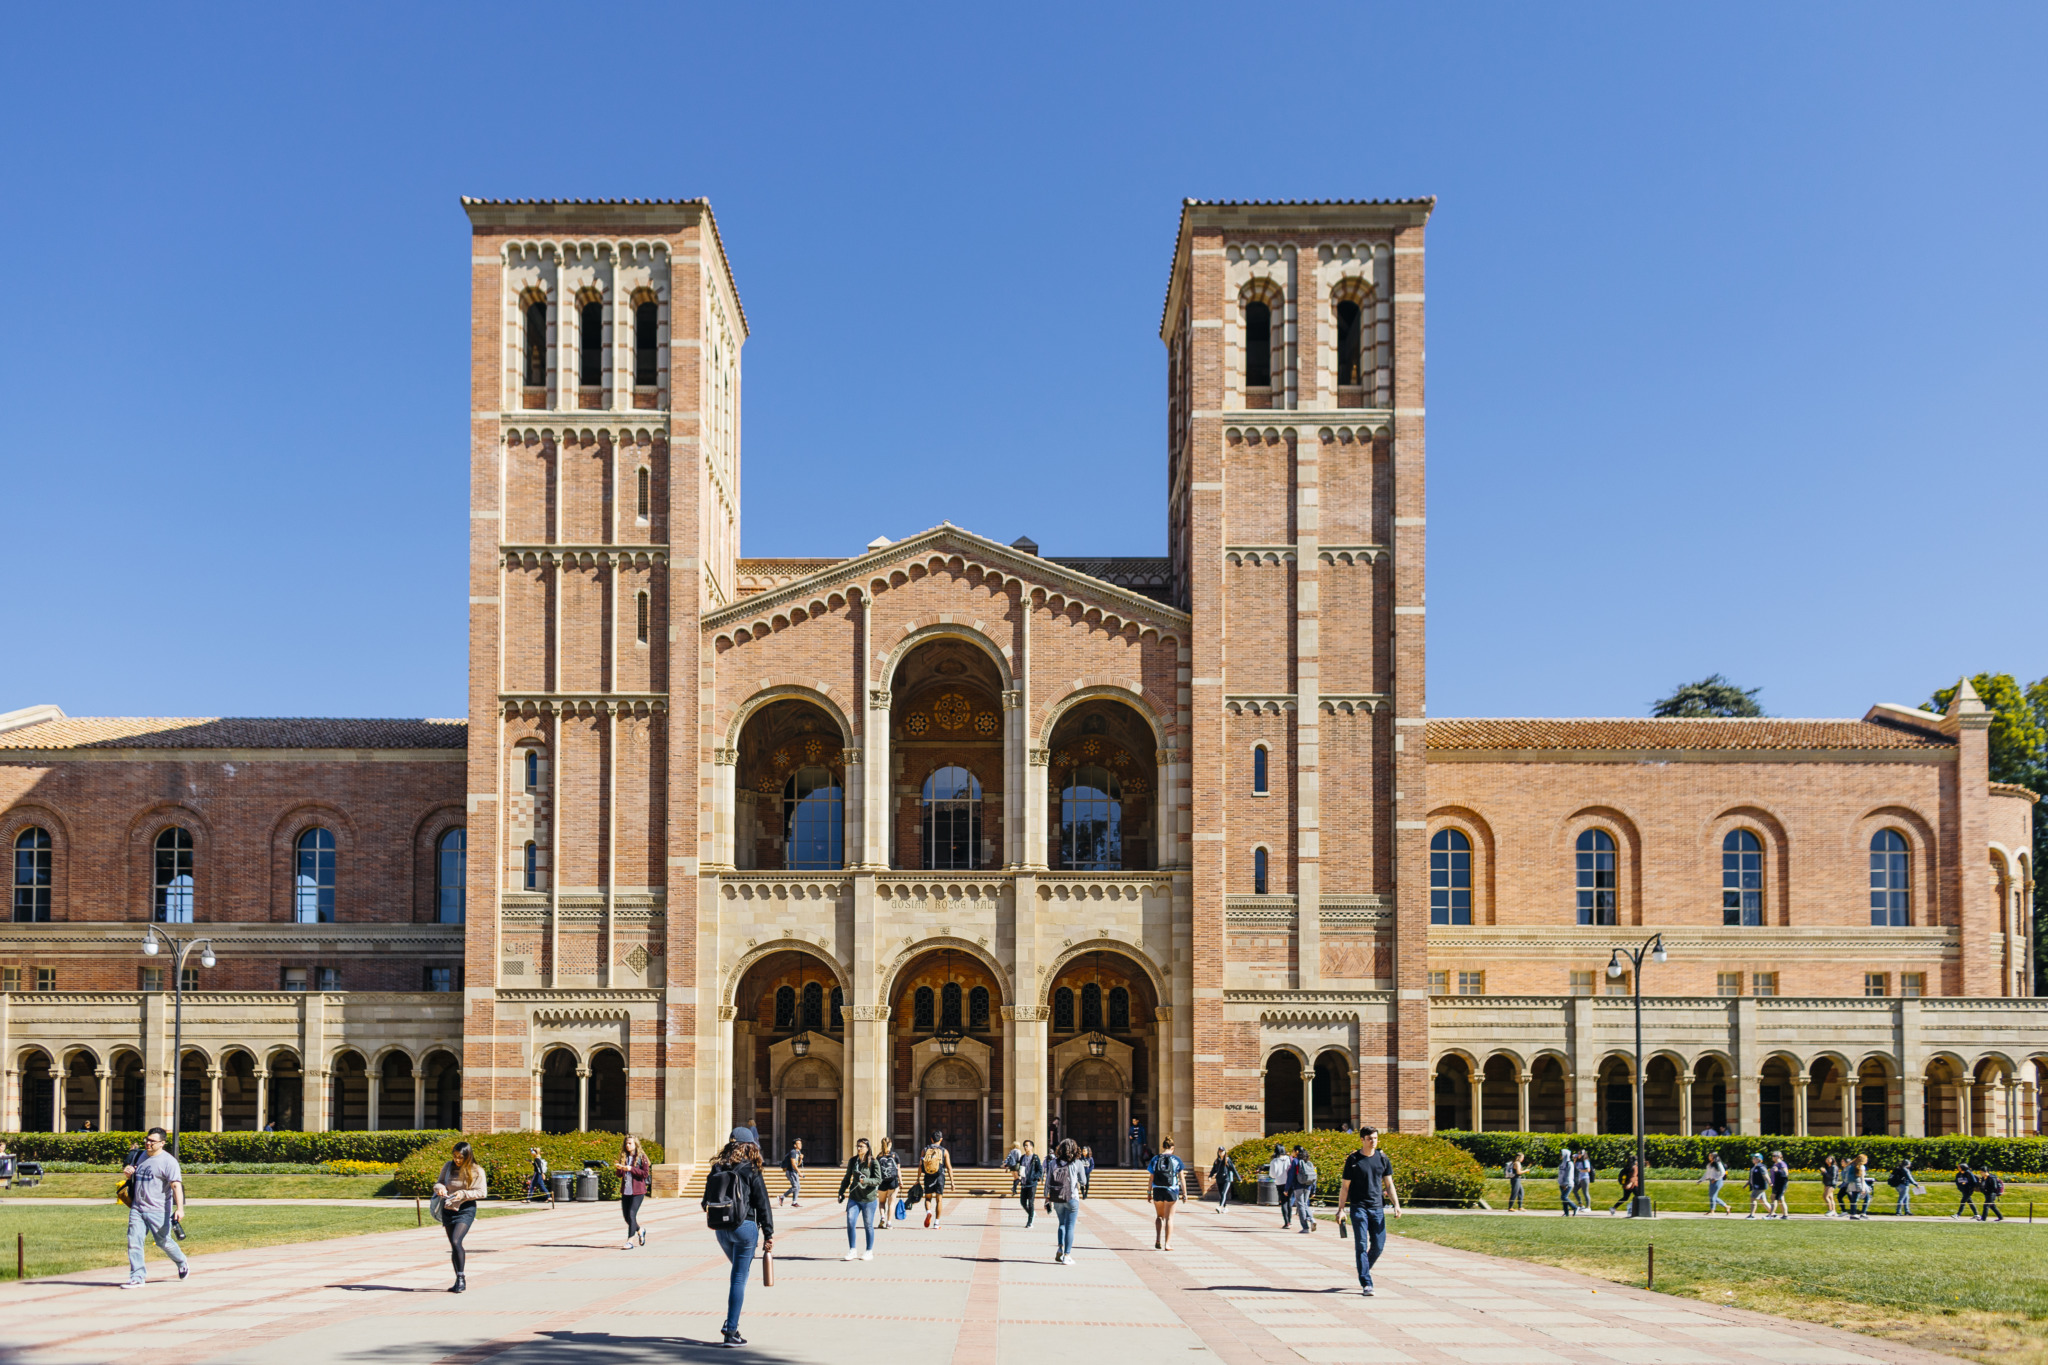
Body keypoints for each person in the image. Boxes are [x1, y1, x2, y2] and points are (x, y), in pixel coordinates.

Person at [702, 1126, 774, 1348]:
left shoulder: (717, 1167)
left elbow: (705, 1202)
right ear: (750, 1145)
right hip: (745, 1227)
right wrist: (769, 1233)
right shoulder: (751, 1168)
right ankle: (731, 1330)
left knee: (739, 1274)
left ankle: (733, 1326)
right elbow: (763, 1203)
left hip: (721, 1230)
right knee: (739, 1278)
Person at [1336, 1126, 1401, 1297]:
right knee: (1362, 1245)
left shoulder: (1382, 1158)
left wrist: (1396, 1204)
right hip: (1358, 1207)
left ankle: (1363, 1269)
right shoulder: (1353, 1159)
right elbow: (1345, 1187)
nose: (1373, 1141)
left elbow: (1389, 1184)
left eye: (1376, 1138)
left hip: (1377, 1208)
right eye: (1370, 1138)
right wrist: (1341, 1210)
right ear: (1362, 1140)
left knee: (1378, 1246)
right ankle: (1366, 1282)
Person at [121, 1127, 189, 1288]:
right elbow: (133, 1175)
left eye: (152, 1141)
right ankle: (137, 1276)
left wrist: (180, 1209)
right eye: (147, 1139)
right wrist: (128, 1173)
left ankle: (181, 1261)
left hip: (159, 1209)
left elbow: (176, 1186)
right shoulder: (139, 1155)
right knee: (134, 1240)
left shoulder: (168, 1162)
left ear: (162, 1143)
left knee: (163, 1241)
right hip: (137, 1207)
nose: (148, 1143)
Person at [431, 1139, 487, 1293]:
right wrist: (440, 1189)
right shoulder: (448, 1166)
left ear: (468, 1156)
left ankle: (461, 1278)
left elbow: (482, 1192)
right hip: (448, 1208)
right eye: (455, 1156)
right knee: (454, 1245)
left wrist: (462, 1194)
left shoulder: (476, 1170)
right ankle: (458, 1279)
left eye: (460, 1157)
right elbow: (439, 1182)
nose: (457, 1160)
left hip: (465, 1209)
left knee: (456, 1241)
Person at [838, 1138, 883, 1261]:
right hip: (854, 1197)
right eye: (857, 1146)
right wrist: (841, 1192)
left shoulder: (873, 1162)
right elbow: (847, 1178)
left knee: (868, 1225)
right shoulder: (853, 1161)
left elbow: (879, 1180)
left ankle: (869, 1251)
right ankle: (852, 1250)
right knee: (850, 1221)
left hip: (869, 1199)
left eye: (862, 1146)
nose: (859, 1148)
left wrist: (866, 1181)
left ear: (867, 1148)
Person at [1045, 1138, 1083, 1264]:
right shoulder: (1077, 1163)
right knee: (1070, 1226)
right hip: (1072, 1198)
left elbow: (1048, 1181)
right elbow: (1084, 1181)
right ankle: (1067, 1255)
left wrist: (1047, 1198)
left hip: (1057, 1197)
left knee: (1061, 1224)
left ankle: (1060, 1248)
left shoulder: (1053, 1163)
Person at [615, 1135, 652, 1248]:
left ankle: (630, 1241)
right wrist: (619, 1168)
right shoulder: (624, 1157)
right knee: (627, 1217)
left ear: (635, 1144)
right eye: (626, 1143)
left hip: (638, 1191)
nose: (627, 1145)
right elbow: (619, 1175)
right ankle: (640, 1230)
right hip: (626, 1190)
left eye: (630, 1143)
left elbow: (645, 1174)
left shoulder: (642, 1157)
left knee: (632, 1214)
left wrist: (632, 1169)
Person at [1149, 1136, 1185, 1250]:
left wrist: (1148, 1192)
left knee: (1159, 1216)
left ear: (1163, 1147)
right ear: (1172, 1148)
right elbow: (1182, 1178)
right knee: (1170, 1218)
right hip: (1172, 1190)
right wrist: (1185, 1193)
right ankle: (1167, 1244)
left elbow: (1151, 1178)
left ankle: (1158, 1239)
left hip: (1158, 1190)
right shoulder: (1176, 1160)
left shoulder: (1155, 1159)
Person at [919, 1129, 953, 1228]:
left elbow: (920, 1165)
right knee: (939, 1200)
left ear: (931, 1139)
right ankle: (936, 1223)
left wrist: (917, 1179)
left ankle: (928, 1212)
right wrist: (952, 1182)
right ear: (941, 1139)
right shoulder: (944, 1151)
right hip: (940, 1177)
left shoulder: (925, 1150)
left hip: (928, 1176)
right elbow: (949, 1167)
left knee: (928, 1198)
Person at [1288, 1144, 1318, 1233]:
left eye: (1293, 1151)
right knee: (1305, 1204)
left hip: (1298, 1186)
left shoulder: (1295, 1161)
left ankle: (1305, 1227)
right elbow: (1314, 1176)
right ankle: (1312, 1219)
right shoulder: (1308, 1162)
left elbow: (1291, 1175)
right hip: (1308, 1185)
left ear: (1297, 1151)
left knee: (1300, 1205)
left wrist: (1287, 1188)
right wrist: (1313, 1189)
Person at [1015, 1139, 1043, 1228]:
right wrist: (1019, 1174)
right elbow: (1020, 1167)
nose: (1025, 1147)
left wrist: (1035, 1177)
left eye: (1027, 1145)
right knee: (1023, 1202)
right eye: (1024, 1145)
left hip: (1032, 1184)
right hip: (1024, 1183)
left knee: (1031, 1203)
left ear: (1031, 1147)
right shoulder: (1022, 1157)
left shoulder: (1035, 1157)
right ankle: (1032, 1213)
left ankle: (1030, 1222)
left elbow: (1040, 1170)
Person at [876, 1138, 901, 1230]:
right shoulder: (895, 1155)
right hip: (892, 1182)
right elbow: (898, 1170)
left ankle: (882, 1217)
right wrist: (901, 1181)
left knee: (882, 1202)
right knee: (891, 1203)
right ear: (890, 1144)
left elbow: (876, 1171)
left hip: (882, 1182)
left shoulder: (879, 1156)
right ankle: (889, 1223)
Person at [1270, 1145, 1296, 1228]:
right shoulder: (1289, 1159)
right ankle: (1290, 1221)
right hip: (1290, 1183)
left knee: (1283, 1202)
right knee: (1289, 1201)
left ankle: (1286, 1222)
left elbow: (1272, 1174)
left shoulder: (1274, 1161)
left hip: (1280, 1183)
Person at [1209, 1147, 1238, 1213]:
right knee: (1221, 1194)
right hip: (1219, 1179)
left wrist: (1238, 1178)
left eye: (1222, 1151)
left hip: (1226, 1180)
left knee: (1223, 1193)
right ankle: (1225, 1207)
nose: (1221, 1153)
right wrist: (1210, 1176)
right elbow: (1213, 1170)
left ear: (1225, 1152)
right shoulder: (1217, 1161)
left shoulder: (1227, 1160)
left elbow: (1233, 1169)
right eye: (1220, 1151)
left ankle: (1220, 1206)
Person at [778, 1138, 804, 1208]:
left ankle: (794, 1202)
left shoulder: (798, 1152)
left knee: (798, 1187)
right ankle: (782, 1196)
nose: (800, 1145)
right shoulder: (793, 1152)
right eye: (799, 1143)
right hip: (790, 1172)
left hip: (794, 1172)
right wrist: (800, 1173)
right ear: (795, 1145)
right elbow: (793, 1164)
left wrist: (801, 1158)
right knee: (795, 1186)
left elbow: (798, 1164)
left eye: (801, 1143)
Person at [1847, 1154, 1872, 1219]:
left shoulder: (1852, 1165)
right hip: (1859, 1184)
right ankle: (1862, 1213)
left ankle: (1853, 1213)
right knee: (1867, 1198)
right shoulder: (1862, 1167)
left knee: (1854, 1199)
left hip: (1852, 1184)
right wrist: (1863, 1188)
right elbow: (1862, 1179)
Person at [1767, 1151, 1791, 1220]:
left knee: (1774, 1198)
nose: (1773, 1157)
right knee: (1780, 1199)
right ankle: (1785, 1215)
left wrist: (1778, 1171)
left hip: (1780, 1184)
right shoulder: (1775, 1164)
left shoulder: (1782, 1164)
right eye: (1772, 1156)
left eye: (1774, 1156)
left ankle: (1771, 1214)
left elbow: (1786, 1174)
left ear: (1778, 1156)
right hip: (1776, 1184)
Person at [1556, 1149, 1577, 1215]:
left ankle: (1574, 1207)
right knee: (1564, 1199)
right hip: (1562, 1184)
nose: (1560, 1155)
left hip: (1568, 1184)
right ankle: (1566, 1213)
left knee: (1564, 1197)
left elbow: (1569, 1175)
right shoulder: (1562, 1163)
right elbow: (1560, 1174)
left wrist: (1566, 1184)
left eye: (1561, 1154)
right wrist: (1560, 1182)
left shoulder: (1569, 1164)